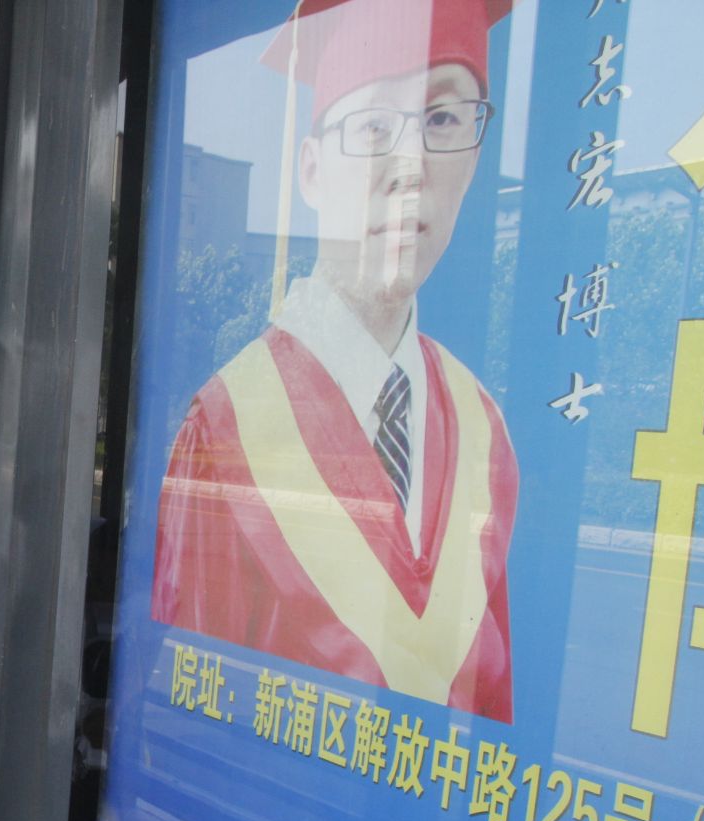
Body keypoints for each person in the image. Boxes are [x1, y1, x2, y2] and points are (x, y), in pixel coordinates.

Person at [151, 0, 519, 722]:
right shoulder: (227, 427)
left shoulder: (485, 433)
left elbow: (490, 726)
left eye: (444, 119)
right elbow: (188, 720)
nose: (411, 166)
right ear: (313, 172)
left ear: (475, 158)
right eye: (374, 126)